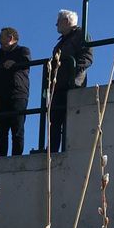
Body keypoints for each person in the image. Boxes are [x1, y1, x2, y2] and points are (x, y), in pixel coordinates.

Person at [48, 9, 93, 153]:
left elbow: (87, 58)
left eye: (58, 22)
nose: (56, 25)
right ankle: (52, 150)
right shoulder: (62, 41)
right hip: (59, 85)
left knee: (69, 119)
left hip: (73, 85)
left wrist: (72, 74)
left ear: (66, 21)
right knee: (55, 119)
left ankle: (68, 149)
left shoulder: (81, 35)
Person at [0, 27, 31, 157]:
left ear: (10, 38)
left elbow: (26, 62)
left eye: (1, 37)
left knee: (17, 128)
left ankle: (16, 156)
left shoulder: (22, 51)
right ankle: (0, 156)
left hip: (17, 94)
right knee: (0, 130)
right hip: (0, 96)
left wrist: (14, 63)